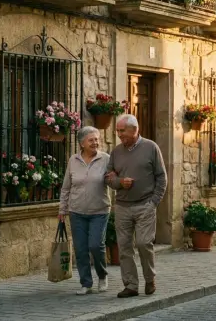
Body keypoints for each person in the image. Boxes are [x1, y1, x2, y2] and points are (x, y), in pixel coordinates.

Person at [105, 114, 167, 298]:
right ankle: (131, 285)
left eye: (122, 130)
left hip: (145, 205)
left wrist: (154, 202)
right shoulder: (116, 152)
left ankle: (150, 279)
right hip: (123, 206)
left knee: (143, 243)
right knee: (124, 247)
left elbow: (162, 177)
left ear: (134, 129)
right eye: (117, 131)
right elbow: (108, 176)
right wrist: (119, 182)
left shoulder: (151, 147)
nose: (119, 134)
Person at [58, 126, 111, 295]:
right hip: (77, 211)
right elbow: (66, 187)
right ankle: (86, 283)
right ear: (82, 143)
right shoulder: (73, 160)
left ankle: (102, 276)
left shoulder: (106, 159)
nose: (96, 142)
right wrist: (62, 209)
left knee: (96, 245)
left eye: (97, 139)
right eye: (91, 140)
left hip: (100, 211)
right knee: (80, 249)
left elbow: (114, 181)